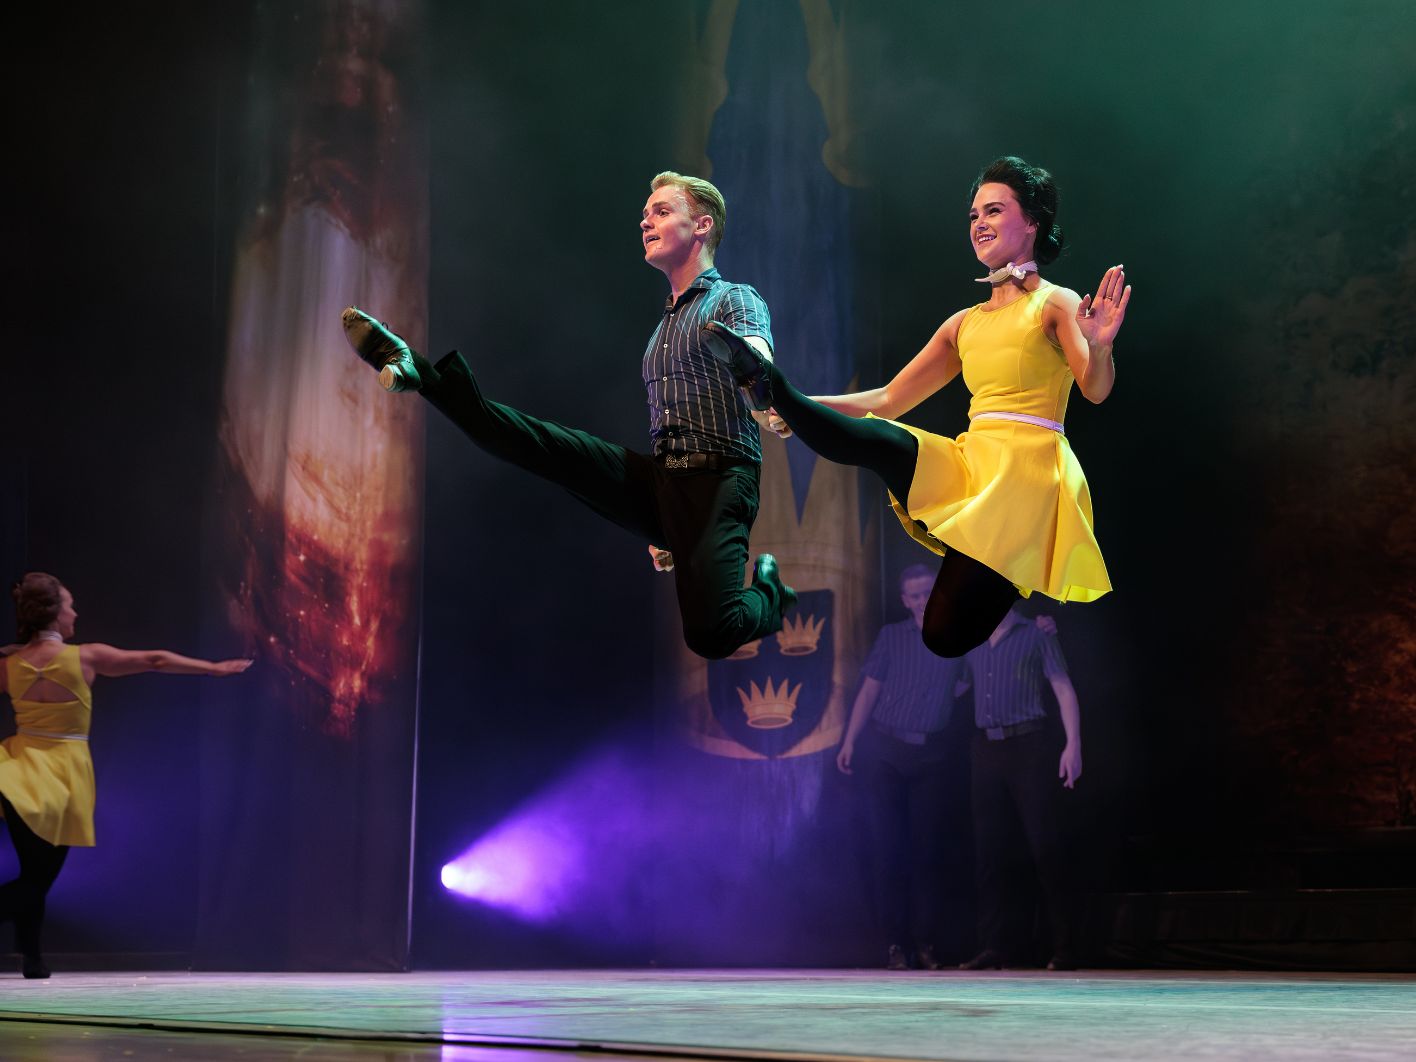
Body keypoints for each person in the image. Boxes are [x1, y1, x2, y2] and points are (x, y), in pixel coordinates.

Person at [340, 172, 795, 660]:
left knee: (711, 635)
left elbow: (757, 357)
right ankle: (418, 371)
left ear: (702, 225)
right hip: (666, 480)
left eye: (662, 212)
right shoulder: (663, 330)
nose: (646, 222)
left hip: (720, 478)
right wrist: (669, 524)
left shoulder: (734, 298)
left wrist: (754, 371)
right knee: (535, 445)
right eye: (644, 215)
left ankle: (771, 593)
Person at [702, 156, 1129, 657]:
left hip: (1026, 478)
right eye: (974, 215)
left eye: (994, 211)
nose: (979, 223)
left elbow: (1095, 389)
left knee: (941, 637)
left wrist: (1099, 347)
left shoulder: (1057, 302)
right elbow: (887, 399)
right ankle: (772, 385)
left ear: (1032, 222)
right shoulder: (963, 323)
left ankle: (1013, 566)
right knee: (888, 441)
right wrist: (803, 405)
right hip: (974, 465)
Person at [0, 573, 252, 978]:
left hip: (16, 773)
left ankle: (33, 958)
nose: (75, 613)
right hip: (61, 774)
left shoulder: (10, 666)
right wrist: (213, 668)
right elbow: (155, 660)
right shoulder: (85, 657)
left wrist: (15, 656)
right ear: (54, 613)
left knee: (34, 876)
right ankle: (32, 957)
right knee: (36, 879)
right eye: (70, 605)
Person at [838, 564, 1057, 970]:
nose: (922, 601)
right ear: (904, 601)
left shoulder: (956, 636)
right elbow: (870, 688)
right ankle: (895, 944)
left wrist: (1042, 625)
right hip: (887, 750)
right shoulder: (892, 636)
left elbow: (980, 668)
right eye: (915, 595)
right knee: (889, 851)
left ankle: (925, 943)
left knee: (927, 853)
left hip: (931, 755)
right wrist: (850, 739)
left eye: (928, 593)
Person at [954, 602, 1082, 971]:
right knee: (989, 851)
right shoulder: (972, 638)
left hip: (1027, 744)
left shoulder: (1036, 633)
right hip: (986, 747)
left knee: (1045, 847)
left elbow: (1062, 688)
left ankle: (1065, 946)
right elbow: (957, 685)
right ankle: (994, 946)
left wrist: (1073, 744)